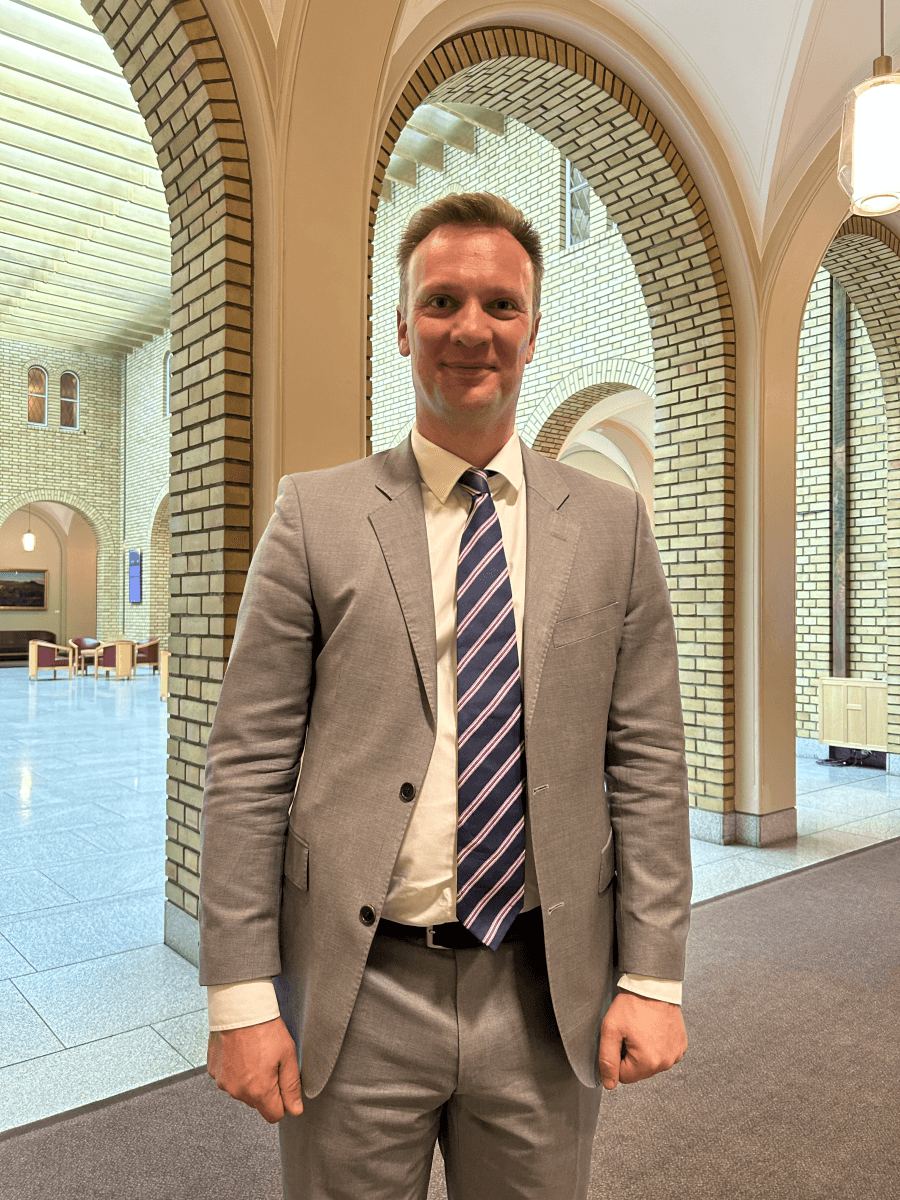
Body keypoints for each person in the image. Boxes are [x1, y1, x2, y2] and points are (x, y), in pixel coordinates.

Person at [200, 191, 692, 1200]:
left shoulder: (614, 527)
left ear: (533, 329)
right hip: (357, 988)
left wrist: (653, 975)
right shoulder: (314, 516)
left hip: (543, 988)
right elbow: (247, 765)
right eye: (442, 301)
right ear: (402, 326)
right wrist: (240, 993)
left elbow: (646, 760)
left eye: (501, 305)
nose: (472, 328)